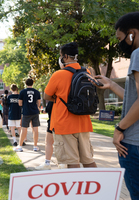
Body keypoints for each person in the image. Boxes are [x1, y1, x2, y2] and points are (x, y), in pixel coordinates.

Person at [91, 12, 139, 199]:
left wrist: (120, 128)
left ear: (132, 33)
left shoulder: (137, 53)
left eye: (120, 39)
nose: (120, 44)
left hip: (133, 144)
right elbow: (134, 98)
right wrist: (111, 85)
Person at [44, 42, 97, 169]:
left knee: (72, 162)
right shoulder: (87, 72)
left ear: (65, 56)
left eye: (61, 55)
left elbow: (47, 96)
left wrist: (58, 97)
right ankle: (97, 186)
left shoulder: (58, 74)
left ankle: (77, 189)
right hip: (83, 123)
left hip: (64, 124)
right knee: (88, 160)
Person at [14, 78, 41, 152]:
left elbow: (19, 103)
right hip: (35, 112)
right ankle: (35, 146)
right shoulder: (37, 92)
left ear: (25, 84)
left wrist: (25, 105)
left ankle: (20, 146)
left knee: (24, 128)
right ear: (33, 83)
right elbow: (38, 103)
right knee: (35, 129)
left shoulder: (22, 92)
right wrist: (35, 107)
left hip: (26, 112)